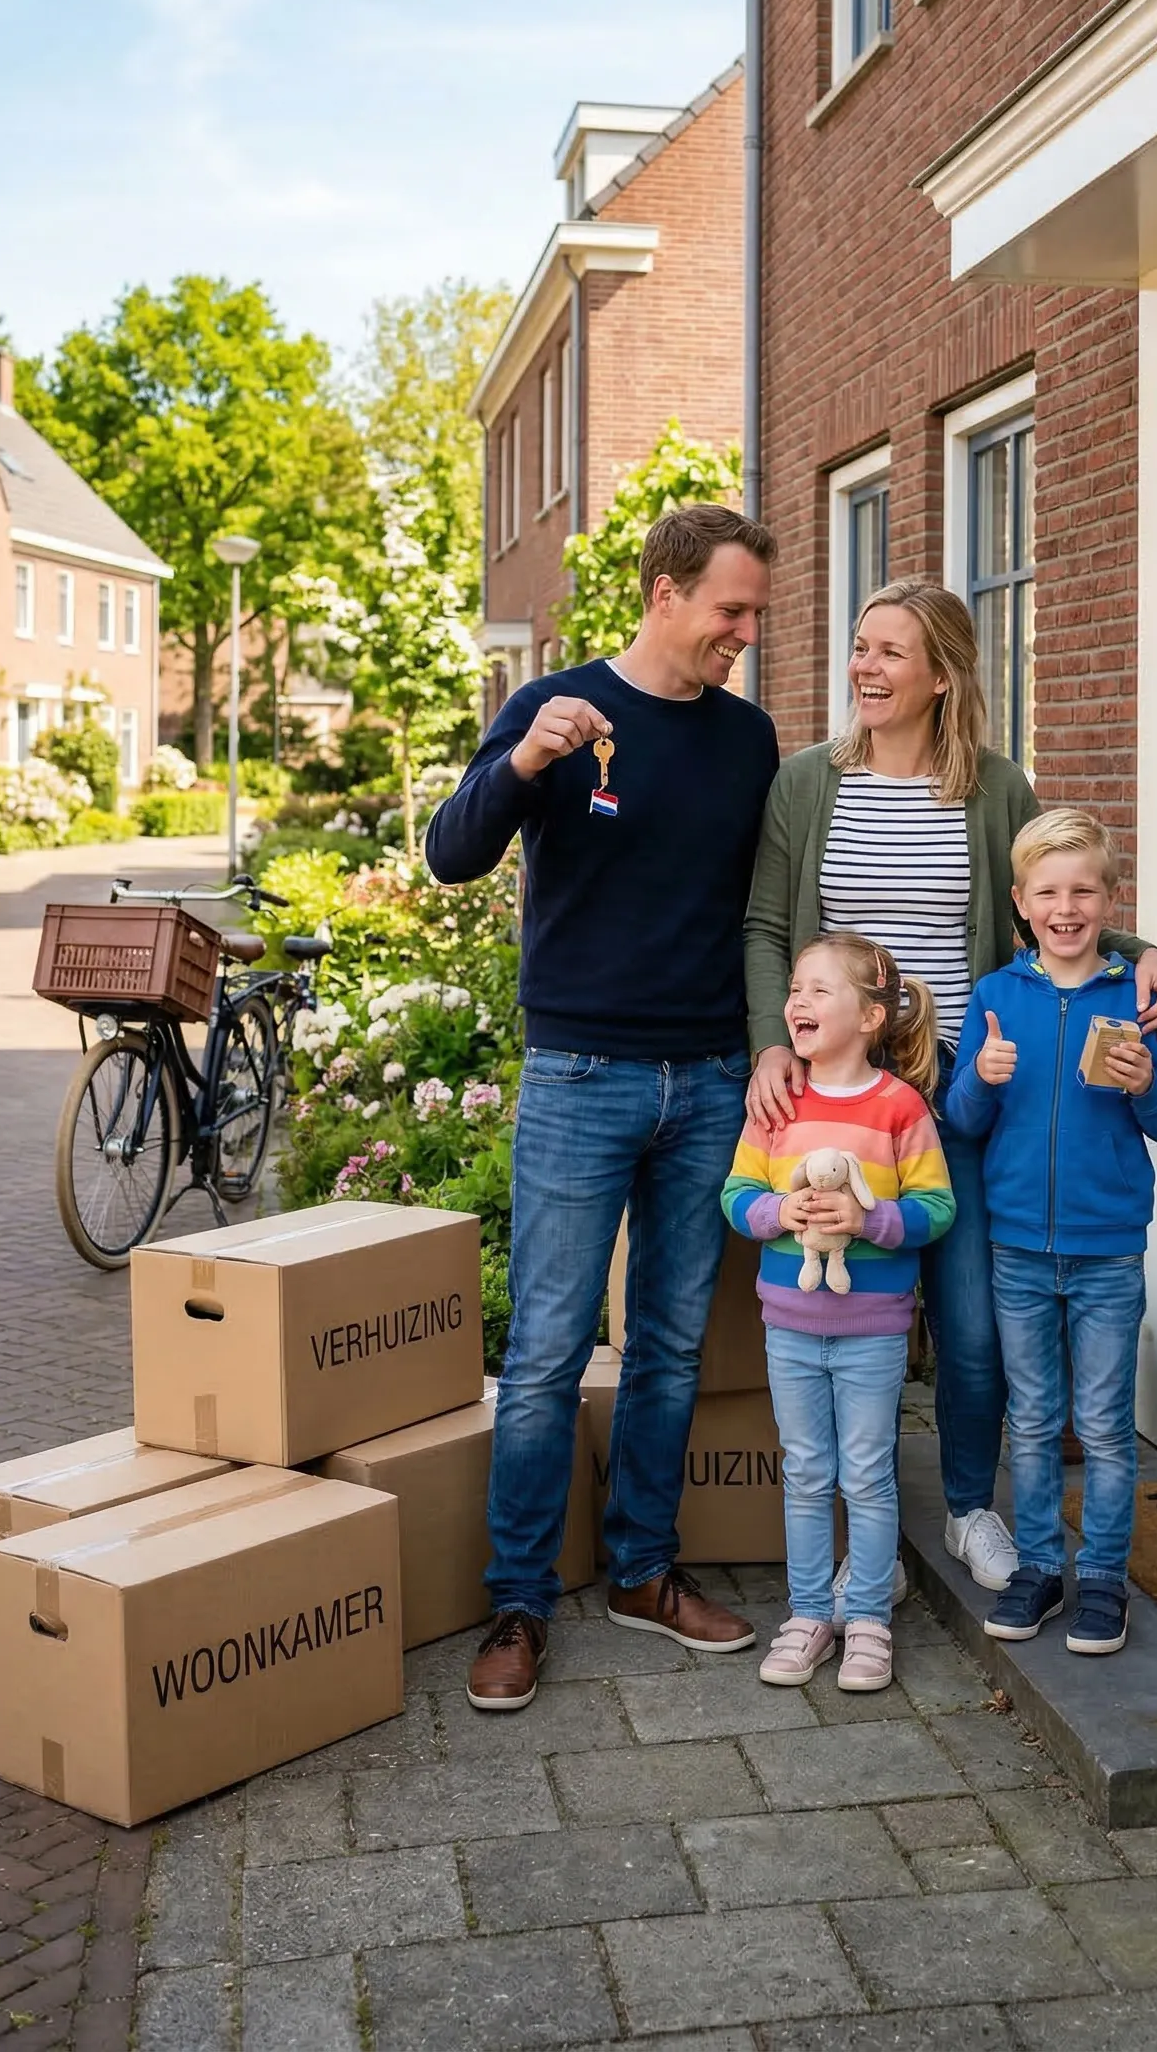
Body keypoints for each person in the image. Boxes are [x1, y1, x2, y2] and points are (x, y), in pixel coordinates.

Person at [743, 579, 1157, 1607]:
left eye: (890, 652)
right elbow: (768, 928)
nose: (866, 668)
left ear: (941, 675)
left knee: (974, 1320)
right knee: (836, 1308)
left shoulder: (993, 787)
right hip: (847, 1094)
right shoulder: (808, 784)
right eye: (860, 647)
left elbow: (1049, 903)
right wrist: (774, 1044)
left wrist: (1138, 947)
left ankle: (968, 1507)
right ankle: (858, 1540)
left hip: (964, 1091)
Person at [424, 504, 779, 1712]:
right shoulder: (558, 711)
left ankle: (640, 1569)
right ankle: (517, 1601)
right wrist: (522, 763)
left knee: (672, 1345)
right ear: (664, 593)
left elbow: (765, 913)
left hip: (710, 1081)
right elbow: (450, 853)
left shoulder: (747, 740)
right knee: (544, 1353)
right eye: (731, 609)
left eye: (753, 614)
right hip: (580, 1077)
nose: (743, 631)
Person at [947, 809, 1157, 1656]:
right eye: (1048, 891)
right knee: (1035, 1416)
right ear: (1020, 902)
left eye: (1083, 889)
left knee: (1105, 1422)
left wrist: (1144, 1083)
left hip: (1108, 1250)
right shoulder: (996, 997)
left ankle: (1103, 1580)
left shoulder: (1140, 1001)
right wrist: (978, 1077)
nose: (1066, 906)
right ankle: (1041, 1566)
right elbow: (963, 1119)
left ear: (1109, 898)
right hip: (1016, 1248)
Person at [722, 933, 953, 1692]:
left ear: (871, 1016)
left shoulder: (900, 1106)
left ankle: (868, 1622)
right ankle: (809, 1615)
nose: (798, 1002)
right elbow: (736, 1195)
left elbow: (937, 1207)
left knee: (868, 1476)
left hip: (874, 1328)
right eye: (795, 988)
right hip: (788, 1324)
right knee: (808, 1472)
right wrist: (779, 1209)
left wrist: (870, 1221)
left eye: (819, 990)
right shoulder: (777, 1103)